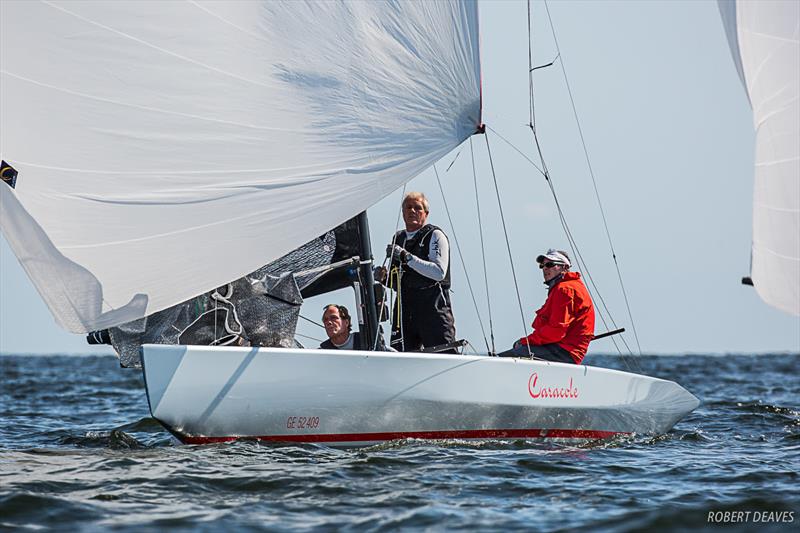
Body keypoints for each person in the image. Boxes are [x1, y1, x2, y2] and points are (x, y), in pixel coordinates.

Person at [377, 192, 456, 352]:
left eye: (417, 208)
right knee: (400, 356)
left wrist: (406, 257)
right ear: (403, 212)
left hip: (432, 306)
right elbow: (397, 281)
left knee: (442, 353)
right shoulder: (398, 238)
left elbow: (439, 272)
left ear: (425, 213)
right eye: (408, 207)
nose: (412, 211)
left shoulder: (435, 235)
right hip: (404, 307)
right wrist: (383, 277)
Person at [500, 249, 595, 364]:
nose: (545, 268)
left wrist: (526, 342)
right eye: (542, 265)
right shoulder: (566, 287)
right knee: (516, 352)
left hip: (564, 352)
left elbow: (556, 331)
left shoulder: (565, 289)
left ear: (564, 267)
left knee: (504, 359)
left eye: (550, 264)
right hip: (561, 349)